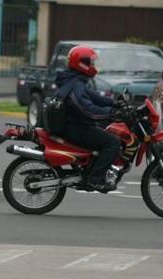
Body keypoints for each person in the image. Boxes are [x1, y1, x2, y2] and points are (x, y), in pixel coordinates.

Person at [56, 46, 127, 192]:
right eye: (92, 63)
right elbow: (87, 109)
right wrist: (111, 113)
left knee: (105, 132)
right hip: (75, 127)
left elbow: (93, 97)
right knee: (113, 142)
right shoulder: (76, 84)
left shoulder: (75, 80)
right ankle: (95, 179)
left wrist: (113, 103)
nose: (94, 66)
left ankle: (92, 170)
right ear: (82, 63)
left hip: (75, 124)